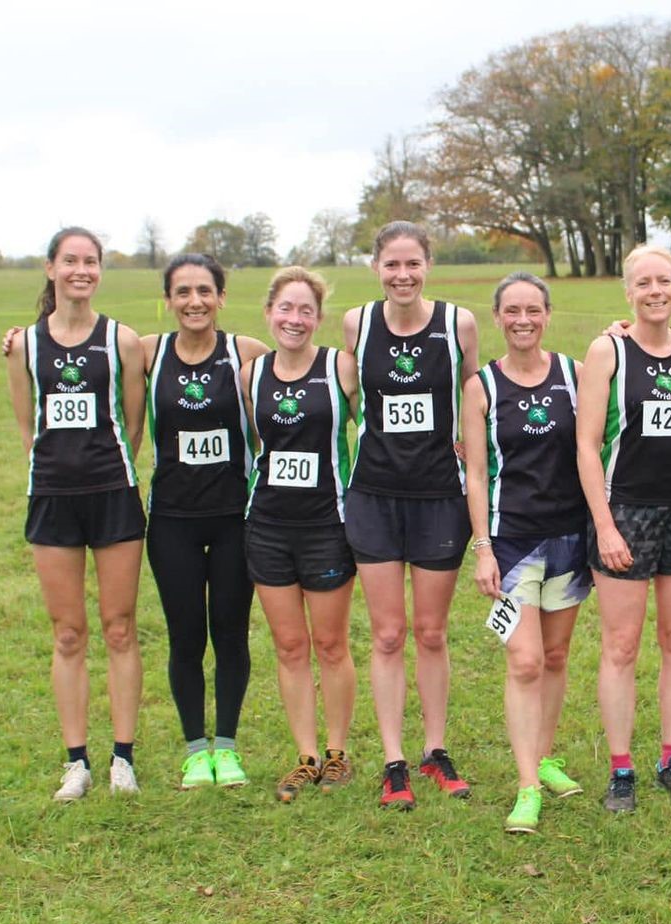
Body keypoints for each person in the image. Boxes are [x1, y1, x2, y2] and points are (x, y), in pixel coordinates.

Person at [576, 244, 671, 814]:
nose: (655, 291)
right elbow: (587, 447)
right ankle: (621, 769)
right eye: (644, 283)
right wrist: (605, 526)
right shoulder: (607, 351)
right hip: (625, 512)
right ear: (629, 292)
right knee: (622, 644)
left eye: (664, 280)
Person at [6, 226, 146, 801]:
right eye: (71, 261)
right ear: (50, 268)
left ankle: (123, 758)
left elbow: (134, 425)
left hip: (114, 495)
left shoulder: (123, 340)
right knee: (68, 634)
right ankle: (75, 762)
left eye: (90, 261)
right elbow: (26, 426)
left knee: (119, 628)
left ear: (100, 272)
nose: (80, 270)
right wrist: (58, 474)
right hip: (53, 500)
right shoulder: (23, 346)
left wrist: (105, 471)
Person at [342, 221, 479, 810]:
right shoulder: (357, 323)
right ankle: (393, 760)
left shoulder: (458, 324)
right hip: (373, 495)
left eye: (413, 264)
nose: (403, 275)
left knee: (431, 631)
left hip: (439, 496)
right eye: (392, 265)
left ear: (428, 266)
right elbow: (328, 381)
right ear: (376, 267)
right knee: (388, 633)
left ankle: (435, 750)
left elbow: (478, 397)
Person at [462, 272, 590, 834]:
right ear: (497, 317)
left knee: (557, 658)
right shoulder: (481, 387)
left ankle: (543, 755)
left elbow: (609, 436)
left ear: (547, 313)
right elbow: (475, 473)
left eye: (533, 310)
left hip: (568, 539)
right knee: (525, 660)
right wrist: (483, 549)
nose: (523, 319)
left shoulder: (574, 374)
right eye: (512, 310)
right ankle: (527, 787)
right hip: (510, 543)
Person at [144, 254, 268, 790]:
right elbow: (75, 343)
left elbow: (294, 385)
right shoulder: (146, 353)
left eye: (204, 291)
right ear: (168, 300)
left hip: (234, 520)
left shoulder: (247, 355)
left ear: (221, 297)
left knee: (231, 634)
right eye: (183, 292)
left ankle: (229, 746)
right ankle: (196, 750)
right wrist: (19, 335)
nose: (194, 301)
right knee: (185, 637)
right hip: (171, 520)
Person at [242, 266, 360, 802]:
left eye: (305, 310)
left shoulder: (341, 368)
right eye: (285, 309)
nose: (295, 319)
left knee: (331, 644)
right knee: (290, 646)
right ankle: (306, 756)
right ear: (269, 313)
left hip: (326, 527)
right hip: (266, 526)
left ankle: (337, 752)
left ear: (319, 318)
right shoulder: (251, 373)